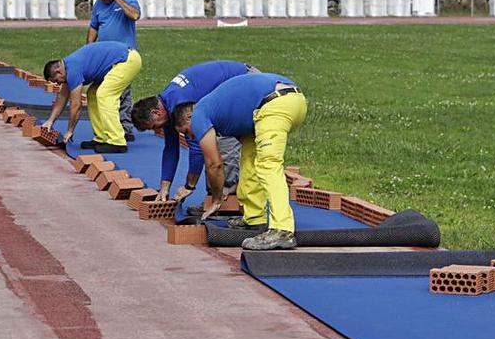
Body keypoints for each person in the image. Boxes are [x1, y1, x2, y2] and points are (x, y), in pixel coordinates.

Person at [172, 73, 307, 251]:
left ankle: (282, 230)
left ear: (189, 118)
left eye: (187, 132)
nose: (192, 136)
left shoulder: (199, 114)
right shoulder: (220, 111)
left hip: (275, 104)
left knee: (268, 165)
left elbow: (214, 165)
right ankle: (254, 219)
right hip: (284, 101)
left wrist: (217, 200)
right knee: (249, 162)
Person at [130, 61, 259, 207]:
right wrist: (165, 187)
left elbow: (197, 147)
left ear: (156, 112)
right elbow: (171, 149)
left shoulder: (179, 103)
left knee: (221, 139)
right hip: (235, 84)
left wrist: (189, 186)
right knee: (210, 142)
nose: (156, 130)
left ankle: (225, 203)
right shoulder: (167, 107)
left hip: (247, 82)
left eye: (153, 126)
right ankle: (213, 198)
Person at [43, 41, 142, 154]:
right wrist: (50, 121)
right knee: (93, 94)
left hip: (127, 60)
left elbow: (76, 105)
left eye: (56, 81)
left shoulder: (72, 70)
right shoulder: (67, 68)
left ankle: (117, 141)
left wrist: (70, 130)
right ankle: (102, 138)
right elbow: (62, 98)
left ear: (58, 72)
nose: (58, 84)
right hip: (119, 61)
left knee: (105, 94)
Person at [87, 0, 141, 141]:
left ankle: (124, 128)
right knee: (107, 91)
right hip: (104, 56)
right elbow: (94, 27)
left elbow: (135, 15)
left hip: (125, 54)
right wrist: (89, 47)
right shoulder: (98, 5)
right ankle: (112, 127)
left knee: (121, 92)